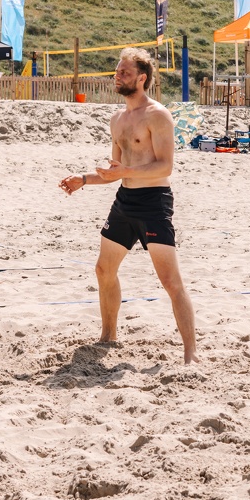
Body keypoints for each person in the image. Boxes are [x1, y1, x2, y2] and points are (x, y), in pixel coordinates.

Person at [58, 47, 199, 365]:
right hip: (125, 201)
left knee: (171, 282)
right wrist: (84, 179)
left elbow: (165, 167)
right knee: (103, 269)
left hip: (153, 203)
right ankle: (108, 336)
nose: (117, 76)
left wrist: (124, 173)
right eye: (117, 71)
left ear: (141, 78)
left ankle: (191, 354)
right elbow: (114, 171)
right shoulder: (118, 119)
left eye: (123, 72)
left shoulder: (158, 115)